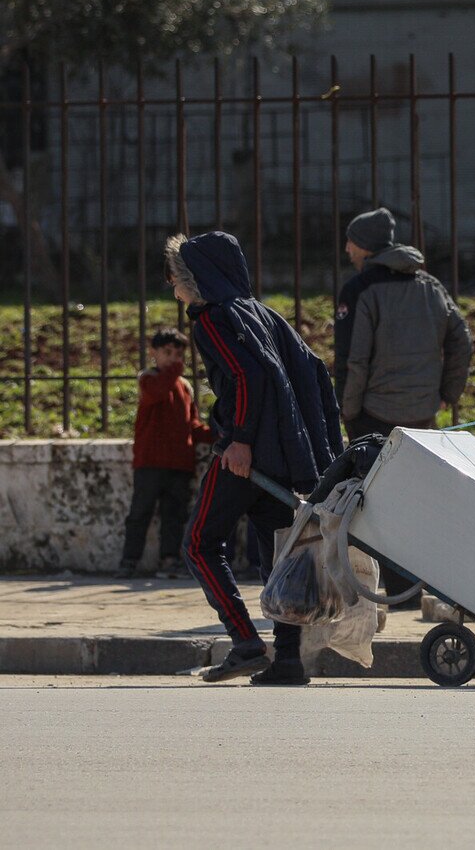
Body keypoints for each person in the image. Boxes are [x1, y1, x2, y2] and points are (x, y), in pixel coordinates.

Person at [164, 231, 343, 685]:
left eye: (176, 278)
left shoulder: (213, 318)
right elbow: (311, 372)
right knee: (277, 558)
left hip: (247, 457)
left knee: (199, 543)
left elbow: (248, 378)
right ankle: (287, 661)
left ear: (195, 278)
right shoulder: (260, 313)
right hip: (283, 456)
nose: (173, 287)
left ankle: (244, 641)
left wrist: (240, 438)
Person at [334, 207, 472, 442]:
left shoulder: (359, 290)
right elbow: (462, 342)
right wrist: (447, 394)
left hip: (373, 415)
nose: (347, 248)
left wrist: (349, 412)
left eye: (351, 241)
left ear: (365, 246)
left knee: (375, 478)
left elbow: (353, 359)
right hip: (423, 414)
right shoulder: (432, 286)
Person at [116, 328, 214, 579]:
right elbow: (156, 393)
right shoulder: (148, 379)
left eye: (178, 353)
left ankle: (169, 559)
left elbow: (191, 423)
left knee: (174, 514)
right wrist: (174, 372)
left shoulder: (184, 386)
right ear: (154, 353)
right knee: (140, 511)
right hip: (150, 462)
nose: (173, 358)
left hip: (179, 462)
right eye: (167, 352)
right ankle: (129, 560)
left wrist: (215, 435)